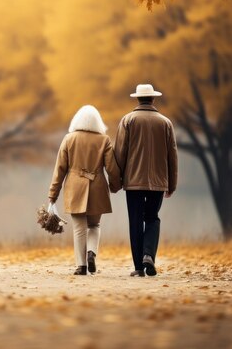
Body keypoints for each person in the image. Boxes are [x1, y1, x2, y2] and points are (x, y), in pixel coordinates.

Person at [48, 105, 122, 275]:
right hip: (98, 187)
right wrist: (115, 186)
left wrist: (53, 195)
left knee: (79, 228)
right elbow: (112, 168)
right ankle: (91, 252)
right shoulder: (104, 140)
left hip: (75, 188)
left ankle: (81, 266)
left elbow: (59, 169)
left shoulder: (69, 139)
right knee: (94, 225)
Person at [114, 84, 178, 277]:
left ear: (137, 99)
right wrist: (171, 183)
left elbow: (119, 153)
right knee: (152, 217)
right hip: (158, 181)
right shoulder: (165, 123)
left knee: (135, 220)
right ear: (153, 99)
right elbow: (172, 155)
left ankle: (138, 267)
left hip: (133, 181)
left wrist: (117, 180)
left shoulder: (128, 121)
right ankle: (148, 254)